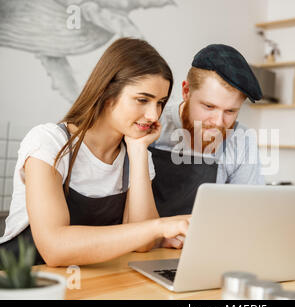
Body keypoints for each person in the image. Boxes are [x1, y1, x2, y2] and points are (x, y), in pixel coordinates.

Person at [0, 38, 190, 267]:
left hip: (90, 282)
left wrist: (139, 151)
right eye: (142, 100)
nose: (153, 115)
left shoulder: (136, 155)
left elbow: (143, 244)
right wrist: (160, 227)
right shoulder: (48, 142)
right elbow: (55, 249)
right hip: (24, 282)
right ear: (107, 92)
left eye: (160, 102)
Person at [149, 44, 264, 248]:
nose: (218, 122)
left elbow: (246, 215)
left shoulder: (242, 139)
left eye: (230, 111)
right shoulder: (153, 124)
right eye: (209, 107)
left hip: (205, 248)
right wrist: (158, 237)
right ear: (186, 91)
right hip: (144, 249)